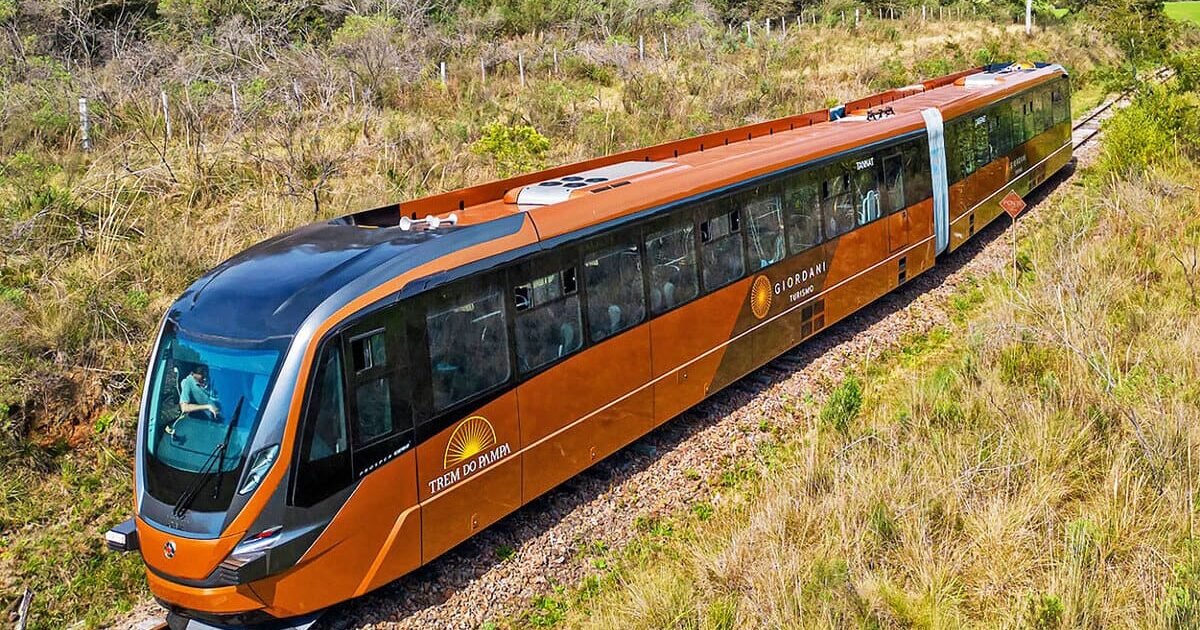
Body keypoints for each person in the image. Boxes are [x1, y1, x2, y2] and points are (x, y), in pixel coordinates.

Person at [165, 365, 219, 435]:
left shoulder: (211, 380)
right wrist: (207, 407)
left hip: (217, 425)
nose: (205, 378)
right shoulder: (187, 382)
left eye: (206, 372)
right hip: (199, 426)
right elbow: (184, 407)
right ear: (192, 373)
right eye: (201, 374)